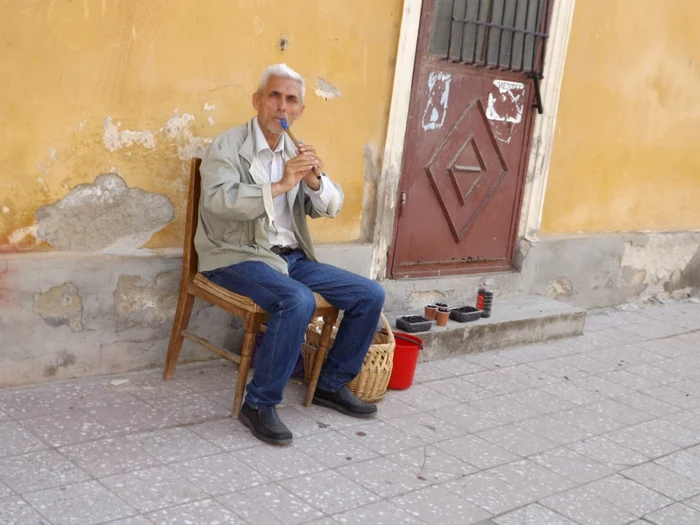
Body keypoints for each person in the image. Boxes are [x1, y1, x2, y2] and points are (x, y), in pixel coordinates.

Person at [194, 64, 386, 445]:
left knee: (370, 294)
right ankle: (259, 403)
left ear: (299, 111)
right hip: (235, 254)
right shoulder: (227, 146)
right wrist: (280, 184)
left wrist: (314, 180)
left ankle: (330, 383)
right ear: (257, 101)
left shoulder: (296, 151)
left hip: (290, 258)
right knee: (295, 300)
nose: (282, 107)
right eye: (274, 96)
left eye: (291, 100)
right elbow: (217, 202)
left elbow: (329, 206)